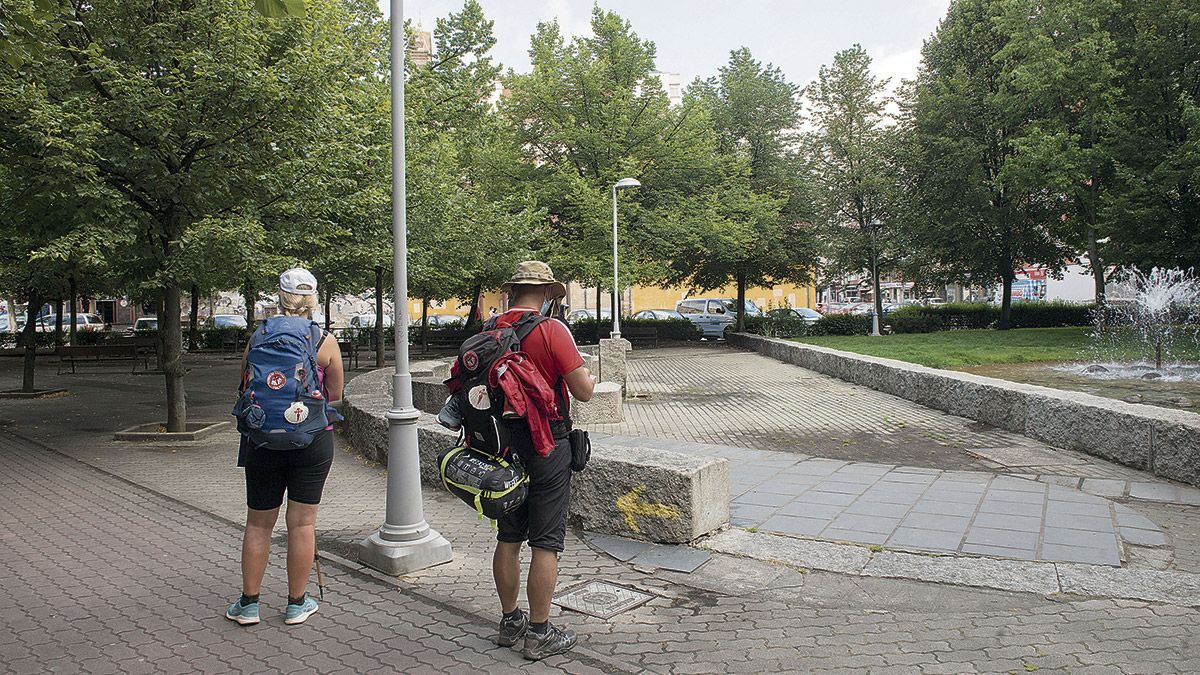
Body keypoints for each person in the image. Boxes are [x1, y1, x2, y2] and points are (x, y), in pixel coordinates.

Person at [489, 261, 596, 661]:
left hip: (501, 449)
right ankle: (539, 632)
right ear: (549, 293)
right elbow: (583, 391)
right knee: (546, 542)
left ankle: (509, 621)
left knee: (508, 536)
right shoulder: (551, 330)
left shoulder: (491, 332)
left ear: (512, 291)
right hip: (547, 446)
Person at [226, 268, 344, 627]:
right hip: (311, 438)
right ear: (312, 300)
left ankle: (249, 604)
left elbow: (244, 384)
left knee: (258, 524)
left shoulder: (258, 336)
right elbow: (335, 396)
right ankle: (296, 603)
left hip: (261, 439)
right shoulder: (324, 340)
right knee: (302, 524)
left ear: (279, 296)